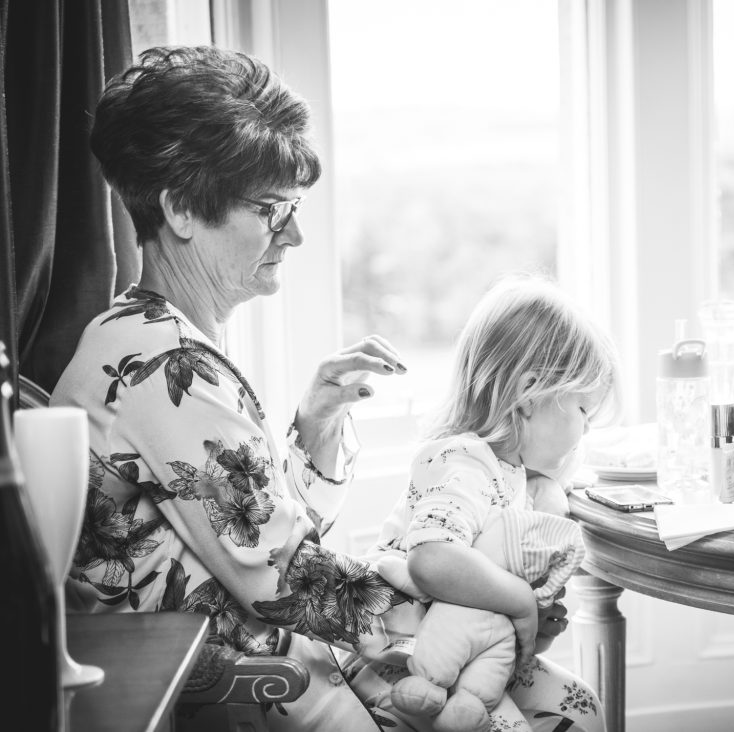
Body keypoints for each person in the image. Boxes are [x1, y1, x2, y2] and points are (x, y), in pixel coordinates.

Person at [51, 45, 580, 732]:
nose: (294, 233)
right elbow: (285, 582)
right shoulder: (164, 363)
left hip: (275, 656)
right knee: (556, 707)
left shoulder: (147, 335)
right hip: (248, 688)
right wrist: (491, 597)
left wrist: (316, 425)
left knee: (557, 701)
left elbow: (256, 538)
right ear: (181, 209)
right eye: (271, 209)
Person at [369, 275, 620, 731]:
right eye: (584, 410)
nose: (586, 430)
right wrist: (522, 602)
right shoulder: (461, 461)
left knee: (580, 705)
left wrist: (529, 633)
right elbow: (432, 559)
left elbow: (484, 608)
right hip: (411, 661)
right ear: (528, 396)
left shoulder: (515, 478)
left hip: (468, 663)